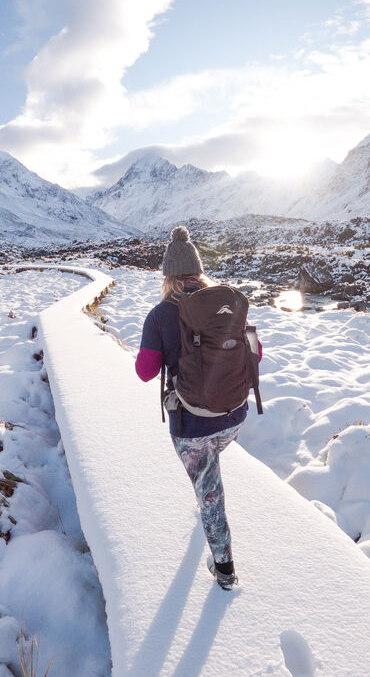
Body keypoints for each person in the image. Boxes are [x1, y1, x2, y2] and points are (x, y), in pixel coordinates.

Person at [134, 226, 261, 590]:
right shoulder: (225, 305)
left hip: (193, 425)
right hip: (234, 415)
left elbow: (145, 373)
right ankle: (204, 489)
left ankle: (225, 572)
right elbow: (256, 352)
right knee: (209, 468)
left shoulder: (160, 316)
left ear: (167, 276)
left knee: (210, 495)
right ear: (198, 270)